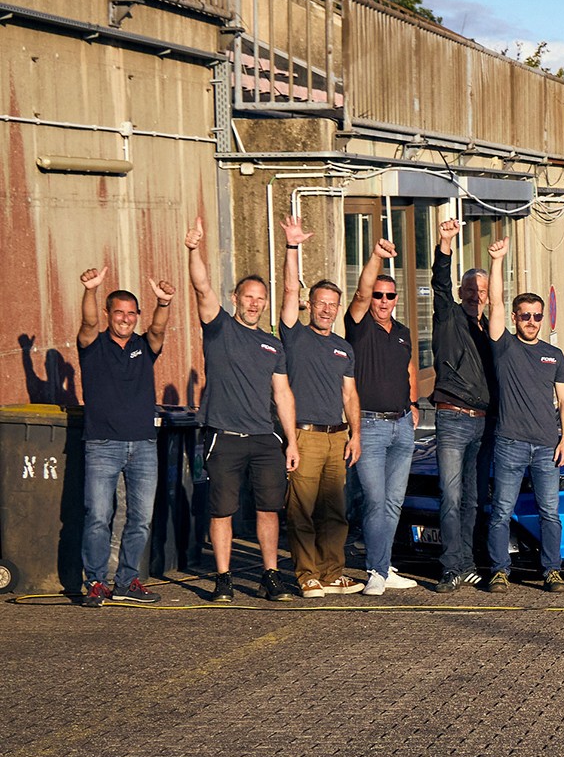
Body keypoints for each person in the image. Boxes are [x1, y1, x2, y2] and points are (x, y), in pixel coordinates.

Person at [185, 212, 299, 602]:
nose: (254, 304)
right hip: (224, 436)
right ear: (236, 298)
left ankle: (270, 576)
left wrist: (292, 442)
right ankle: (223, 578)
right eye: (248, 297)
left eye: (260, 299)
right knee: (222, 511)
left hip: (266, 439)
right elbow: (201, 287)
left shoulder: (272, 343)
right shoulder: (218, 327)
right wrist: (193, 248)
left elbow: (282, 394)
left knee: (269, 510)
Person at [75, 264, 174, 606]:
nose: (125, 319)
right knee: (99, 516)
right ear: (108, 314)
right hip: (102, 445)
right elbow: (87, 323)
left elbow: (158, 330)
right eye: (119, 312)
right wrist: (90, 289)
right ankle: (96, 583)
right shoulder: (93, 345)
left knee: (140, 519)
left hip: (144, 445)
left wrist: (163, 303)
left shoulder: (145, 347)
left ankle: (127, 581)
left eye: (132, 314)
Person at [276, 217, 364, 599]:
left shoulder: (344, 347)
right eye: (321, 304)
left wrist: (355, 434)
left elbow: (350, 395)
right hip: (306, 435)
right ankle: (306, 574)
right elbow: (286, 288)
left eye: (333, 305)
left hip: (337, 437)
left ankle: (332, 573)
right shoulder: (295, 336)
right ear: (309, 305)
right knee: (302, 510)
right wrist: (292, 246)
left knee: (335, 513)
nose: (327, 310)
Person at [483, 239, 564, 591]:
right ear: (516, 318)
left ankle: (552, 571)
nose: (532, 321)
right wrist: (498, 261)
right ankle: (499, 571)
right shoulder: (504, 346)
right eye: (525, 316)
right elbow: (495, 303)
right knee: (501, 510)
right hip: (510, 443)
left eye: (537, 316)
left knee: (550, 512)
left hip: (547, 446)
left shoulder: (555, 354)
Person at [345, 233, 419, 595]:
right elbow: (360, 293)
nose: (384, 301)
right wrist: (375, 256)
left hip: (402, 425)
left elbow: (408, 371)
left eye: (390, 296)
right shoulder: (359, 328)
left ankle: (383, 566)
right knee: (374, 500)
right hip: (371, 426)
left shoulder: (403, 332)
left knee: (393, 502)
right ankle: (375, 570)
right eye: (379, 295)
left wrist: (415, 405)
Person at [427, 218, 496, 594]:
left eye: (481, 289)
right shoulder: (448, 315)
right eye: (469, 288)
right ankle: (450, 567)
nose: (475, 294)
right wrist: (445, 243)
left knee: (472, 497)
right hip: (452, 416)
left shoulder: (493, 328)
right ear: (460, 290)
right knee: (450, 496)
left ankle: (468, 563)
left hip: (484, 422)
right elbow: (439, 282)